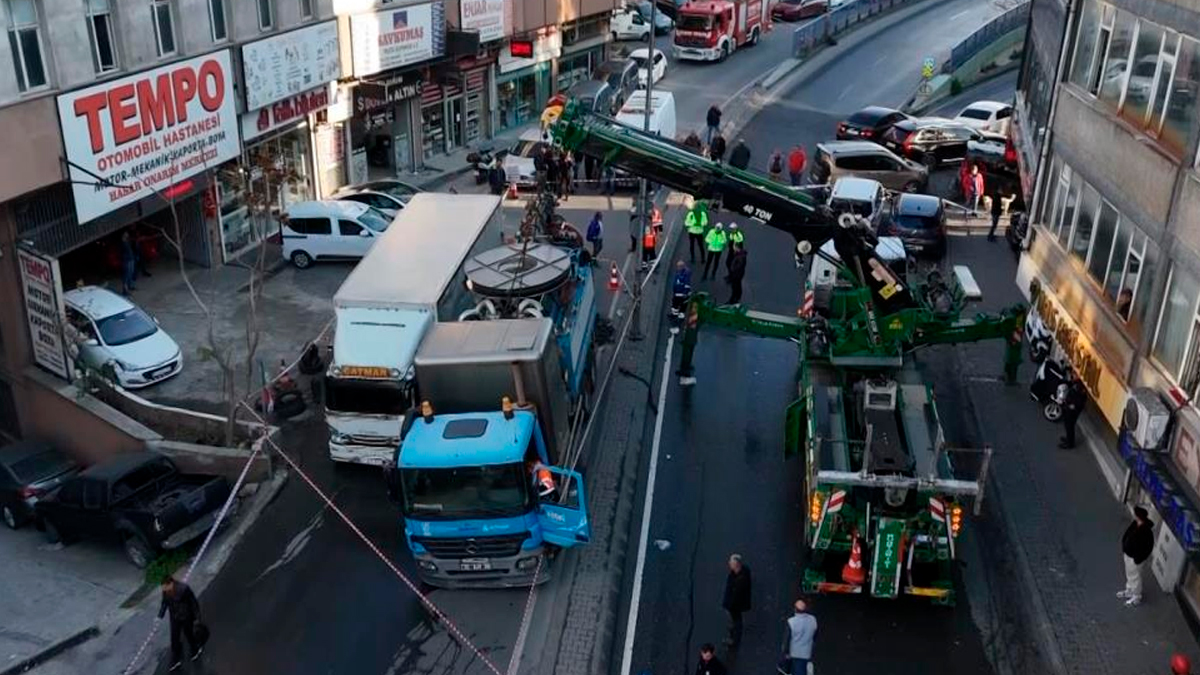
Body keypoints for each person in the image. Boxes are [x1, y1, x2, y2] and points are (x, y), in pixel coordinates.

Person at [158, 576, 204, 670]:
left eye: (165, 587)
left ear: (171, 584)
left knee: (189, 635)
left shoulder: (184, 589)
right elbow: (164, 603)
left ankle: (195, 649)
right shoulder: (165, 592)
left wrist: (197, 618)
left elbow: (193, 603)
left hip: (186, 616)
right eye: (163, 588)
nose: (164, 590)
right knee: (174, 638)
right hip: (175, 617)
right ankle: (176, 659)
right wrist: (160, 616)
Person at [1118, 506, 1155, 606]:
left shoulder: (1146, 531)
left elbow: (1148, 547)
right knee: (1129, 574)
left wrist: (1138, 559)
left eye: (1136, 514)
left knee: (1135, 576)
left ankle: (1136, 596)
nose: (1134, 515)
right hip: (1128, 554)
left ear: (1139, 516)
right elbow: (1127, 535)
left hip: (1135, 558)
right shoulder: (1135, 524)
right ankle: (1129, 590)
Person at [722, 553, 752, 648]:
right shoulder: (741, 572)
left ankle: (734, 640)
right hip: (737, 603)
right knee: (736, 619)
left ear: (737, 564)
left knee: (737, 620)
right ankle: (734, 633)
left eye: (731, 562)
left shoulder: (740, 580)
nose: (729, 563)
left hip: (736, 605)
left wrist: (729, 605)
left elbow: (735, 595)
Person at [781, 599, 818, 675]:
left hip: (794, 654)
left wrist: (785, 653)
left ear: (795, 609)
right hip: (807, 653)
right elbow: (815, 636)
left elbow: (787, 639)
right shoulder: (813, 620)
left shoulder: (791, 622)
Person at [1059, 369, 1087, 449]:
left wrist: (1074, 405)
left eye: (1075, 374)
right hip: (1069, 406)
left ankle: (1070, 443)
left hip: (1073, 409)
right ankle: (1068, 438)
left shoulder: (1080, 386)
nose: (1073, 375)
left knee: (1070, 425)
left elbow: (1081, 399)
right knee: (1067, 424)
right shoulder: (1075, 382)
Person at [120, 230, 137, 295]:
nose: (127, 234)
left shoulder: (127, 241)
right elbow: (121, 254)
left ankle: (129, 286)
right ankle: (125, 291)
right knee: (126, 276)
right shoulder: (122, 244)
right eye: (126, 233)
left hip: (131, 259)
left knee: (130, 274)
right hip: (126, 261)